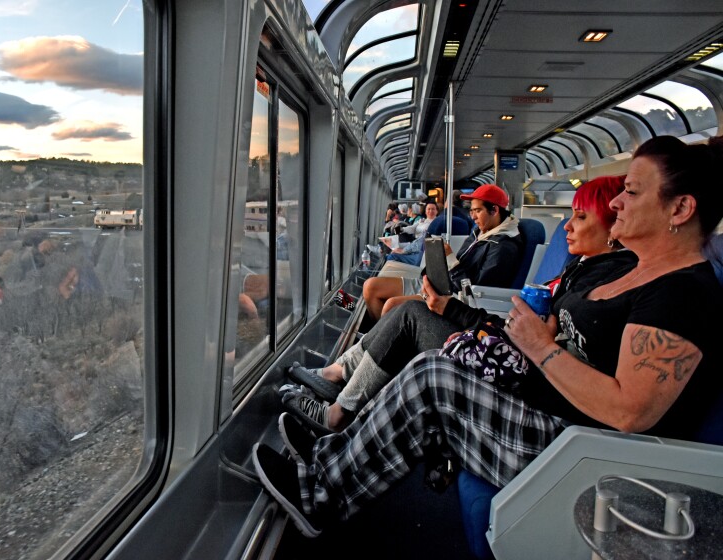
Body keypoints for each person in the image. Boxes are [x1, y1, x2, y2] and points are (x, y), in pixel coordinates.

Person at [256, 135, 723, 538]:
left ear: (680, 209)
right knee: (432, 362)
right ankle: (327, 456)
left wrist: (539, 347)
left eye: (633, 192)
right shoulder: (633, 276)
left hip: (581, 456)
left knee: (434, 378)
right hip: (545, 411)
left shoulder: (682, 294)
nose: (617, 202)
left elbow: (630, 411)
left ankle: (320, 494)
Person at [283, 175, 634, 433]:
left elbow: (489, 290)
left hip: (524, 374)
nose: (568, 227)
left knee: (404, 314)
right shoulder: (580, 271)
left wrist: (454, 295)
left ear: (613, 225)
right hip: (512, 350)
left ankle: (340, 409)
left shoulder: (510, 250)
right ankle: (342, 378)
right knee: (407, 310)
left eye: (581, 217)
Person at [363, 185, 522, 321]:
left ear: (494, 210)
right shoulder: (479, 232)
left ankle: (378, 347)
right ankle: (375, 341)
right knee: (370, 286)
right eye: (471, 210)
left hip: (451, 298)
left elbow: (472, 292)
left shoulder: (503, 247)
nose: (472, 216)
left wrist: (450, 260)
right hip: (442, 283)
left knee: (391, 305)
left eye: (478, 211)